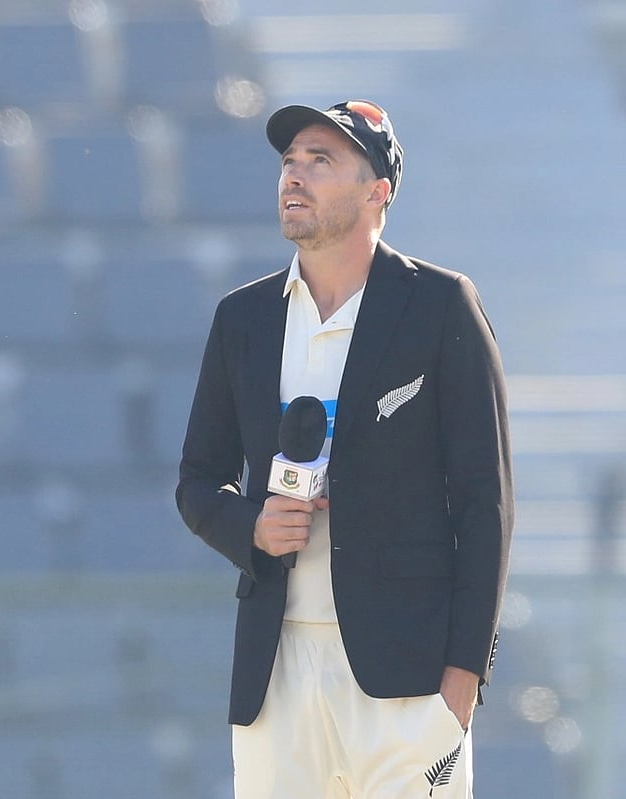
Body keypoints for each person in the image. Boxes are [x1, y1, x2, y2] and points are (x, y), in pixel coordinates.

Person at [176, 101, 513, 797]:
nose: (293, 176)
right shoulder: (242, 317)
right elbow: (198, 481)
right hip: (276, 678)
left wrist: (462, 679)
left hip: (410, 681)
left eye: (319, 160)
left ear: (376, 191)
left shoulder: (443, 305)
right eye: (289, 161)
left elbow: (487, 503)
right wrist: (253, 527)